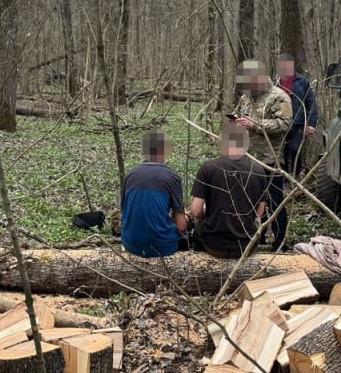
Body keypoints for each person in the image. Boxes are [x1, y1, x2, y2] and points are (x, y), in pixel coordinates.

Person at [231, 59, 293, 249]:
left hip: (270, 159)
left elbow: (284, 124)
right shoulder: (246, 97)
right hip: (249, 158)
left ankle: (280, 240)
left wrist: (256, 125)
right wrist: (236, 122)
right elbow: (240, 114)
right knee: (251, 199)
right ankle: (258, 236)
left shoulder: (279, 97)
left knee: (274, 200)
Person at [189, 122, 271, 258]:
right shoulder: (258, 170)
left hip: (213, 245)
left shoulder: (209, 168)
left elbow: (195, 211)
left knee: (197, 224)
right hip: (246, 246)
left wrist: (207, 213)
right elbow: (260, 212)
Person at [120, 130, 187, 257]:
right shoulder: (172, 177)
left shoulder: (130, 175)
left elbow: (124, 214)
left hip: (130, 244)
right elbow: (181, 225)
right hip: (162, 246)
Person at [275, 52, 319, 176]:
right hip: (282, 122)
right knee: (283, 151)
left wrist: (311, 123)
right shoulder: (277, 83)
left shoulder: (302, 81)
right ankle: (284, 176)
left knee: (294, 149)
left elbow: (311, 103)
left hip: (299, 123)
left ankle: (297, 174)